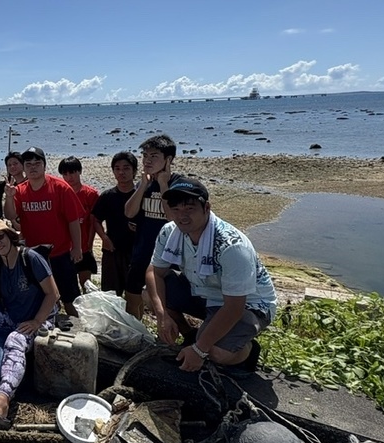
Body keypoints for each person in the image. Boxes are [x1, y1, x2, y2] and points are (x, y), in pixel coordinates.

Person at [144, 177, 277, 375]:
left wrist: (200, 350)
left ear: (206, 207)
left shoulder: (231, 246)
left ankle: (248, 351)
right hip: (205, 292)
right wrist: (162, 317)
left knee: (215, 353)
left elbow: (234, 307)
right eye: (176, 209)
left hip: (249, 304)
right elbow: (154, 272)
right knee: (149, 295)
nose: (182, 216)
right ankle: (191, 334)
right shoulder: (170, 232)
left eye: (189, 208)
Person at [0, 219, 60, 427]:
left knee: (16, 339)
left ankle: (2, 401)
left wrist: (36, 321)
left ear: (10, 236)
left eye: (0, 237)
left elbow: (53, 294)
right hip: (12, 318)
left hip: (40, 319)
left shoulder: (30, 258)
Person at [2, 146, 83, 318]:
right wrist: (9, 197)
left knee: (70, 298)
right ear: (23, 168)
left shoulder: (61, 187)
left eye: (37, 163)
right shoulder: (20, 190)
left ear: (44, 166)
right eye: (28, 164)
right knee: (40, 297)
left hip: (60, 253)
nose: (32, 167)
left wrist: (77, 247)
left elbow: (73, 220)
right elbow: (11, 215)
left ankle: (79, 329)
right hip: (33, 256)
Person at [124, 134, 178, 318]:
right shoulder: (143, 183)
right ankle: (136, 336)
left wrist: (163, 184)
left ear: (168, 159)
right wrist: (142, 186)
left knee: (165, 304)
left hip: (168, 256)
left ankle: (165, 342)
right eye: (145, 155)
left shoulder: (178, 184)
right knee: (132, 297)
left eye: (153, 156)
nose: (147, 160)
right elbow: (129, 212)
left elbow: (174, 219)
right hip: (141, 251)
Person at [92, 152, 140, 314]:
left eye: (126, 168)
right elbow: (96, 219)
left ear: (134, 171)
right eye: (117, 168)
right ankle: (113, 326)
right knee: (110, 294)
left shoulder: (141, 195)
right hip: (112, 251)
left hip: (136, 253)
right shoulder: (108, 196)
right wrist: (104, 238)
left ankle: (135, 328)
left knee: (135, 295)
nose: (121, 172)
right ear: (113, 171)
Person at [58, 157, 99, 288]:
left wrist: (90, 244)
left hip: (84, 246)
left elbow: (94, 222)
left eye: (72, 172)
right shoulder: (59, 194)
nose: (69, 177)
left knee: (85, 283)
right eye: (65, 174)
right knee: (66, 284)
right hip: (64, 247)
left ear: (79, 172)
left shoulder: (90, 194)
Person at [0, 151, 25, 218]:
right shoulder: (6, 186)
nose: (12, 166)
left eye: (15, 163)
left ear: (23, 165)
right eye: (9, 165)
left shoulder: (30, 183)